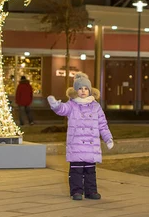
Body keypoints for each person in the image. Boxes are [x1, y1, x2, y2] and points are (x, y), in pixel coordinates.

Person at [48, 72, 114, 201]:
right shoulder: (72, 105)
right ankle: (76, 191)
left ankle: (91, 191)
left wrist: (108, 138)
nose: (83, 91)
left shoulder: (96, 106)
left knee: (90, 170)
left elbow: (102, 124)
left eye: (85, 89)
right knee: (76, 170)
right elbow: (63, 109)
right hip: (76, 144)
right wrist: (56, 105)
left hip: (91, 145)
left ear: (90, 90)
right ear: (75, 90)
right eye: (80, 88)